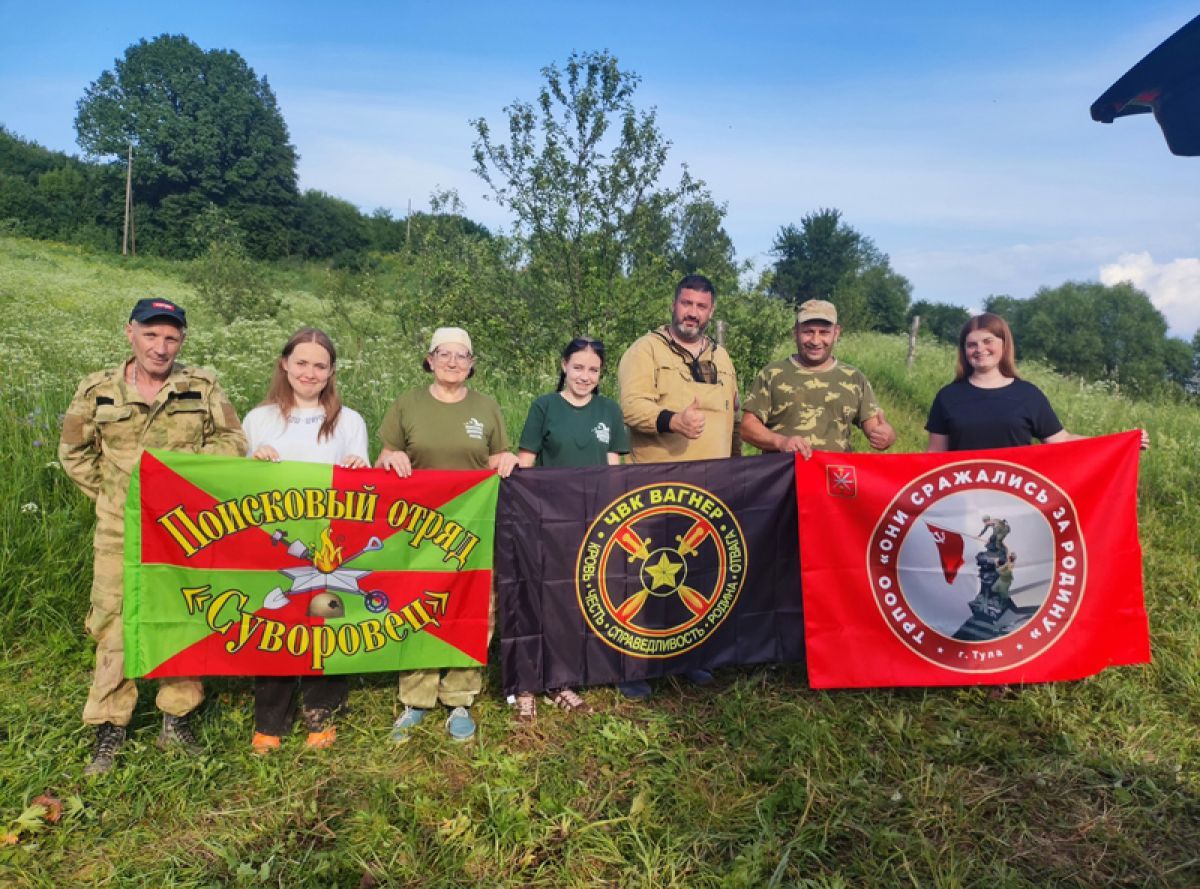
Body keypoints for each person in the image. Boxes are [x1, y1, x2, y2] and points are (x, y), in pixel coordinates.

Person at [59, 297, 247, 776]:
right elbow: (74, 452)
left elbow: (232, 442)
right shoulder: (97, 390)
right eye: (151, 335)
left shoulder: (201, 387)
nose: (160, 347)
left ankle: (176, 715)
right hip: (119, 531)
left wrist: (188, 485)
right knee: (113, 620)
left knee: (181, 615)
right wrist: (115, 498)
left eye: (170, 337)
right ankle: (110, 725)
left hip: (183, 531)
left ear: (181, 340)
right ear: (130, 333)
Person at [377, 327, 518, 742]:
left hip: (472, 528)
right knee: (418, 606)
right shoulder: (407, 404)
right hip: (419, 529)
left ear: (472, 363)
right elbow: (385, 455)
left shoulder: (487, 407)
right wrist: (392, 456)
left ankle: (459, 696)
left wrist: (505, 458)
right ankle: (415, 699)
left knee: (472, 607)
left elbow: (492, 458)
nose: (453, 362)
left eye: (462, 356)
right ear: (430, 358)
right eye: (444, 354)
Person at [242, 327, 370, 754]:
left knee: (325, 623)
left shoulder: (349, 421)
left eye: (320, 365)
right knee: (274, 625)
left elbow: (365, 491)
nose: (310, 372)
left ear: (331, 371)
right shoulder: (258, 419)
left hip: (329, 545)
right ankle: (270, 719)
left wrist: (357, 464)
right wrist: (254, 463)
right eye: (302, 362)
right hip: (275, 544)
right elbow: (238, 490)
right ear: (285, 364)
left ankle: (322, 712)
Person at [616, 274, 738, 698]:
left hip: (709, 488)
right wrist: (673, 421)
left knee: (700, 574)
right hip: (656, 485)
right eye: (686, 303)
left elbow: (733, 417)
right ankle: (636, 664)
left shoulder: (722, 357)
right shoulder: (644, 350)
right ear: (674, 304)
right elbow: (631, 408)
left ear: (711, 311)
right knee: (645, 576)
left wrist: (737, 472)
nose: (693, 312)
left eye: (701, 306)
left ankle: (690, 658)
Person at [512, 337, 630, 722]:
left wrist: (615, 515)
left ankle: (561, 681)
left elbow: (614, 468)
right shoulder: (544, 406)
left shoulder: (609, 410)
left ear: (601, 374)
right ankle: (527, 681)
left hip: (593, 519)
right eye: (578, 367)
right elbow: (526, 465)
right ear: (564, 365)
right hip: (548, 518)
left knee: (574, 600)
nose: (585, 376)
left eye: (593, 370)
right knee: (540, 596)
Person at [925, 312, 1150, 452]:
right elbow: (935, 455)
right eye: (971, 344)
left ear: (1004, 345)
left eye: (987, 341)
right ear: (964, 350)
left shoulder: (1027, 395)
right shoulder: (948, 397)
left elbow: (1061, 440)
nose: (980, 349)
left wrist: (1122, 443)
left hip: (1017, 501)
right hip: (961, 502)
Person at [740, 299, 895, 458]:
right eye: (808, 332)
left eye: (824, 332)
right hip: (784, 477)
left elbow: (874, 427)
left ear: (836, 333)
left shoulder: (854, 378)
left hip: (834, 477)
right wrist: (780, 442)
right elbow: (747, 427)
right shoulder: (772, 374)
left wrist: (886, 436)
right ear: (795, 333)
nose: (815, 341)